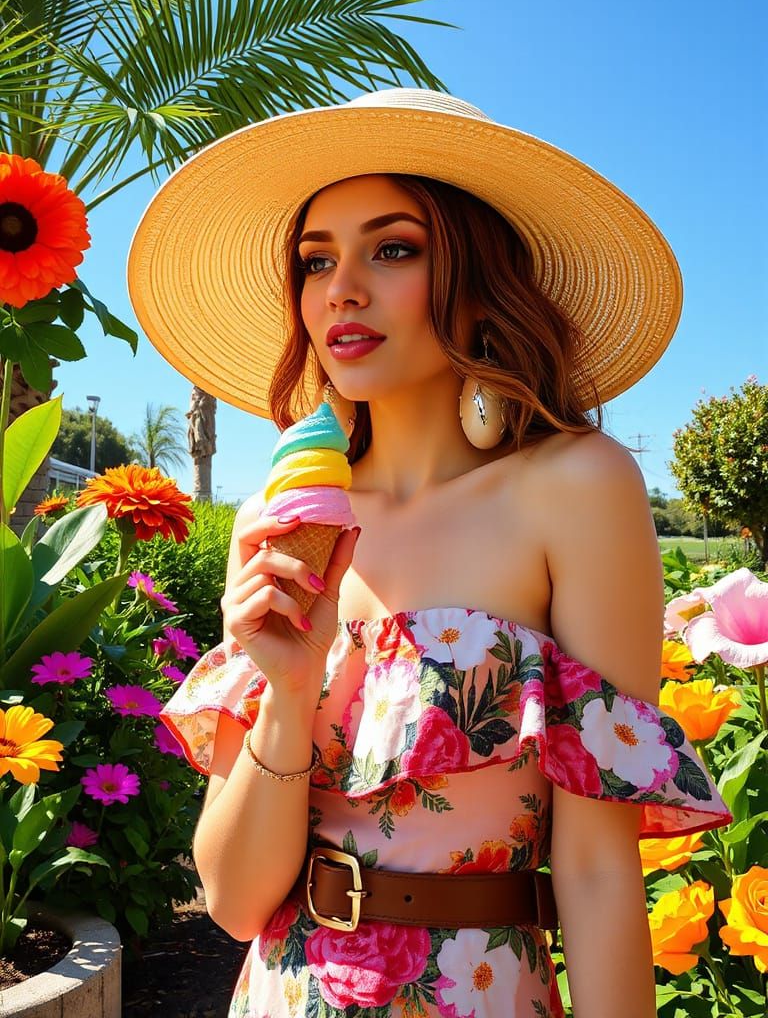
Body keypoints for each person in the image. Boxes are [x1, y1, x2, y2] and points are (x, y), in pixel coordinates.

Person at [126, 88, 733, 1018]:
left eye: (394, 249)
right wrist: (287, 688)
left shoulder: (575, 485)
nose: (342, 288)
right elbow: (235, 902)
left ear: (480, 281)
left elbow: (597, 870)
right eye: (316, 260)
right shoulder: (285, 517)